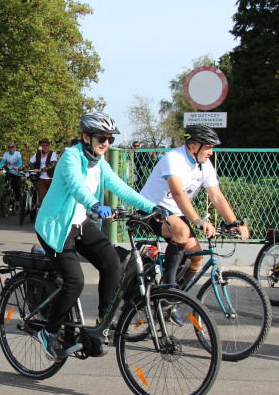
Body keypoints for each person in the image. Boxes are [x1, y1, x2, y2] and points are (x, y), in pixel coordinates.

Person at [34, 112, 161, 360]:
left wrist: (151, 207)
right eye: (100, 138)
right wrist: (94, 204)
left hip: (80, 223)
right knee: (75, 282)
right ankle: (48, 332)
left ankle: (104, 321)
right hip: (56, 227)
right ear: (85, 137)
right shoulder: (71, 156)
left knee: (113, 261)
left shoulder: (99, 162)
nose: (105, 143)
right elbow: (76, 186)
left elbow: (120, 186)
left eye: (109, 139)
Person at [138, 125, 250, 290]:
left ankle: (173, 300)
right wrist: (198, 221)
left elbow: (216, 196)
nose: (211, 152)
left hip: (174, 213)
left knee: (196, 258)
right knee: (182, 231)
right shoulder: (174, 158)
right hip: (151, 209)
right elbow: (178, 193)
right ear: (193, 146)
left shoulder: (204, 164)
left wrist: (234, 222)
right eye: (208, 147)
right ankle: (167, 290)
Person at [0, 142, 24, 213]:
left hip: (16, 172)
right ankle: (6, 195)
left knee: (16, 187)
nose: (10, 149)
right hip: (9, 171)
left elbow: (20, 162)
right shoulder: (6, 154)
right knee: (6, 183)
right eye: (9, 147)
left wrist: (19, 168)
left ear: (14, 147)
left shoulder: (17, 153)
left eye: (12, 147)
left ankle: (17, 203)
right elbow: (2, 161)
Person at [27, 138, 58, 207]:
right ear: (40, 146)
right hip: (41, 179)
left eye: (47, 145)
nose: (45, 147)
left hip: (51, 178)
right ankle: (42, 215)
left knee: (52, 198)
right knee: (42, 198)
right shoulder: (37, 154)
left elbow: (52, 165)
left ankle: (52, 213)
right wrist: (20, 169)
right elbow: (29, 163)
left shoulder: (52, 153)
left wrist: (40, 170)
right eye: (43, 145)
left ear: (49, 146)